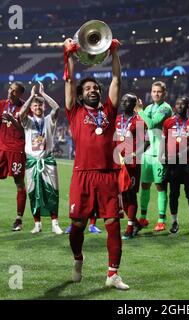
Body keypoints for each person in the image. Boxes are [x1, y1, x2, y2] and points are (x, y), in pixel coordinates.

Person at [63, 37, 128, 289]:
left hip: (108, 175)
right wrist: (68, 56)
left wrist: (114, 53)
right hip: (83, 175)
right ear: (81, 95)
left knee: (112, 224)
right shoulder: (74, 112)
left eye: (95, 88)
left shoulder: (109, 111)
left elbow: (116, 80)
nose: (93, 90)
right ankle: (78, 259)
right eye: (88, 88)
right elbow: (68, 81)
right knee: (77, 225)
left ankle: (113, 274)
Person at [19, 82, 63, 235]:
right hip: (32, 161)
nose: (38, 107)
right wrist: (31, 96)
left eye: (40, 105)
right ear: (31, 108)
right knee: (33, 192)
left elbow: (56, 108)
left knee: (52, 192)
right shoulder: (28, 122)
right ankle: (37, 223)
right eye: (35, 106)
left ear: (44, 107)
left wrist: (43, 94)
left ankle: (54, 223)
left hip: (48, 160)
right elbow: (20, 114)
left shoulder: (49, 120)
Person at [136, 81, 173, 231]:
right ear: (150, 92)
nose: (156, 94)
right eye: (154, 91)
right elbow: (145, 130)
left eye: (159, 91)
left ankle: (161, 220)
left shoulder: (166, 108)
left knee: (160, 186)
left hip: (161, 153)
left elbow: (151, 124)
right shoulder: (149, 108)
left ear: (164, 93)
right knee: (144, 185)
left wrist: (139, 111)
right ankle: (143, 218)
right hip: (148, 154)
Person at [161, 96, 189, 234]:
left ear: (187, 106)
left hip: (187, 163)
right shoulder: (168, 123)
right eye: (177, 104)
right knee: (173, 194)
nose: (179, 106)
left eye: (182, 104)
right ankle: (174, 222)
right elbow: (164, 142)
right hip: (172, 164)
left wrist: (180, 154)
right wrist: (163, 156)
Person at [114, 93, 147, 240]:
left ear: (134, 103)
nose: (123, 102)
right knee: (122, 194)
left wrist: (134, 154)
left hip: (132, 163)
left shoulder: (139, 120)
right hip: (118, 161)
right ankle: (136, 223)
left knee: (131, 193)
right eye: (122, 100)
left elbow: (146, 142)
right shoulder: (117, 119)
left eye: (127, 101)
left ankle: (129, 228)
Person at [0, 82, 27, 231]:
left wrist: (12, 120)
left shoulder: (25, 108)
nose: (10, 92)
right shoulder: (2, 105)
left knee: (19, 182)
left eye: (14, 91)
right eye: (10, 89)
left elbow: (25, 132)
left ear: (20, 94)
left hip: (17, 150)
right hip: (1, 148)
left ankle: (18, 219)